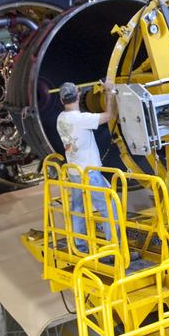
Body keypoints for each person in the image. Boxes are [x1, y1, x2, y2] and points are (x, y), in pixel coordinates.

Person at [56, 79, 117, 253]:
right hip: (89, 173)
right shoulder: (81, 119)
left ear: (62, 100)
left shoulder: (61, 119)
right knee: (109, 209)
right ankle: (114, 250)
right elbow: (109, 116)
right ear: (78, 96)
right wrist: (109, 93)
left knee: (77, 209)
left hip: (74, 172)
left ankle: (79, 248)